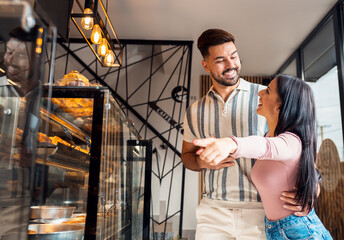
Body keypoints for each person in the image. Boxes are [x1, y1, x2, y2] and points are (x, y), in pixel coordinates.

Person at [181, 29, 307, 240]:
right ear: (206, 65)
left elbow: (297, 147)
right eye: (220, 60)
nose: (231, 64)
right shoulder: (195, 111)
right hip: (213, 212)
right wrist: (203, 162)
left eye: (234, 55)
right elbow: (187, 157)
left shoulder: (266, 98)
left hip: (261, 211)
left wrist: (312, 190)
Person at [193, 74, 332, 239]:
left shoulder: (291, 141)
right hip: (274, 229)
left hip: (301, 230)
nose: (260, 93)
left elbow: (264, 147)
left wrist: (230, 144)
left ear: (279, 105)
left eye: (268, 91)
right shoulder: (269, 136)